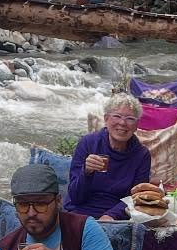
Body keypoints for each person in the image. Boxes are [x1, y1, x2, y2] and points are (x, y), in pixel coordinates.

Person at [64, 93, 153, 221]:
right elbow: (75, 196)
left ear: (136, 125)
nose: (122, 123)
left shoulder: (141, 155)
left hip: (116, 217)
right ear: (106, 119)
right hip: (80, 212)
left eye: (130, 118)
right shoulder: (88, 143)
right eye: (117, 116)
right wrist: (86, 172)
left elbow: (136, 197)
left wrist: (111, 215)